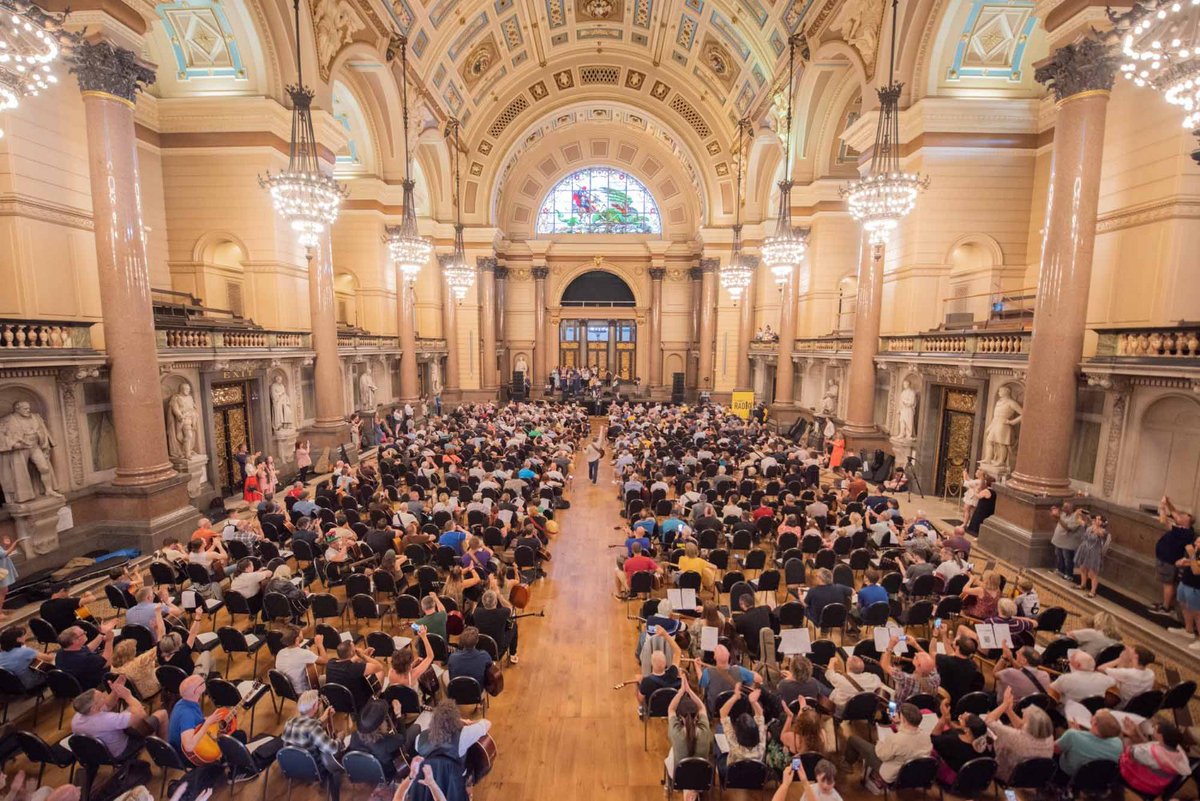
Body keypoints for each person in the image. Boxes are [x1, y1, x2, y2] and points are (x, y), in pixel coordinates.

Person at [846, 702, 932, 794]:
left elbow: (880, 755)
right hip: (914, 776)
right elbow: (909, 737)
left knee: (853, 739)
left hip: (892, 775)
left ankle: (846, 764)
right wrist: (899, 725)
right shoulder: (926, 737)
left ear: (903, 719)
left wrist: (880, 742)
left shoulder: (897, 739)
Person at [71, 677, 168, 757]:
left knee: (132, 709)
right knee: (162, 713)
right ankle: (165, 752)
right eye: (101, 697)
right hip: (121, 751)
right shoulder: (107, 719)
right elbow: (141, 715)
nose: (105, 696)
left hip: (99, 753)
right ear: (94, 707)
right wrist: (128, 696)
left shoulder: (78, 716)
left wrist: (116, 690)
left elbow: (108, 705)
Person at [984, 687, 1055, 782]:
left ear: (1030, 725)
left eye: (1024, 719)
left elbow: (988, 721)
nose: (1022, 721)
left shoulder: (1015, 736)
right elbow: (1022, 726)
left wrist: (1004, 704)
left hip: (1009, 775)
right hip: (1033, 779)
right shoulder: (1049, 738)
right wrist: (1009, 711)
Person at [282, 690, 343, 799]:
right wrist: (340, 737)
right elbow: (333, 749)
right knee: (336, 771)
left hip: (290, 767)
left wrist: (321, 719)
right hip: (314, 769)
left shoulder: (289, 722)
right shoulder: (313, 728)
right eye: (319, 702)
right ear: (315, 706)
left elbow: (306, 727)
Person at [1118, 716, 1191, 797]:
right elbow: (1146, 747)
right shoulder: (1178, 750)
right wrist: (1137, 733)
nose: (1153, 728)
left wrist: (1128, 734)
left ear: (1160, 736)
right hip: (1155, 787)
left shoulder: (1152, 754)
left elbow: (1130, 751)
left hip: (1140, 784)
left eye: (1155, 728)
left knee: (1121, 743)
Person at [1152, 495, 1195, 616]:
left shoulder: (1184, 532)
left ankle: (1166, 607)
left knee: (1168, 584)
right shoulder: (1184, 528)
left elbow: (1163, 520)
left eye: (1182, 517)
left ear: (1187, 522)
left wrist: (1162, 508)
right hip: (1166, 558)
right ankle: (1165, 604)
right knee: (1167, 583)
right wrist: (1168, 503)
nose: (1178, 516)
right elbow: (1175, 513)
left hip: (1169, 559)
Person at [346, 698, 407, 780]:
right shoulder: (388, 742)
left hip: (365, 774)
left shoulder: (354, 736)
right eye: (384, 719)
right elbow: (402, 737)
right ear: (380, 726)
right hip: (387, 775)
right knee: (415, 728)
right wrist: (398, 714)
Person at [931, 702, 991, 784]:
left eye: (962, 719)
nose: (962, 716)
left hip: (954, 779)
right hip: (971, 779)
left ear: (967, 730)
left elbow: (933, 739)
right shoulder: (984, 744)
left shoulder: (952, 742)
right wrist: (948, 722)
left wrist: (943, 718)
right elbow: (959, 729)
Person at [1055, 709, 1123, 780]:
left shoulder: (1072, 735)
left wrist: (1072, 732)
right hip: (1097, 780)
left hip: (1068, 775)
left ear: (1094, 723)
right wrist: (1079, 733)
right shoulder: (1118, 744)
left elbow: (1055, 750)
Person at [666, 676, 713, 775]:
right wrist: (689, 691)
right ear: (697, 716)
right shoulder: (705, 730)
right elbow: (702, 707)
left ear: (681, 718)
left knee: (672, 751)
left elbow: (671, 709)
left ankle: (668, 785)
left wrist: (681, 692)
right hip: (702, 777)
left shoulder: (676, 732)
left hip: (680, 777)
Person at [55, 621, 116, 689]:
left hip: (74, 683)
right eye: (83, 633)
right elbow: (107, 661)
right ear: (75, 641)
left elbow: (87, 649)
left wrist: (102, 633)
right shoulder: (85, 659)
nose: (86, 633)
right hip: (93, 685)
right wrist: (110, 641)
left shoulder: (61, 652)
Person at [881, 634, 941, 703]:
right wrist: (915, 644)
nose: (916, 653)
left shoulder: (906, 678)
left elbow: (884, 665)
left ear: (918, 665)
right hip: (923, 707)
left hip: (903, 709)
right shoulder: (936, 678)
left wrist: (890, 646)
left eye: (917, 657)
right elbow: (930, 662)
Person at [719, 684, 766, 767]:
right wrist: (753, 702)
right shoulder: (761, 743)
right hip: (755, 776)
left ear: (737, 733)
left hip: (733, 777)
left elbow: (722, 712)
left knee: (718, 732)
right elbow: (760, 715)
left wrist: (735, 696)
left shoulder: (734, 744)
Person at [1098, 644, 1156, 708]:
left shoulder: (1128, 673)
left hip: (1120, 705)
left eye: (1132, 650)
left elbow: (1101, 668)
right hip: (1136, 706)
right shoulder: (1151, 673)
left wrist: (1120, 659)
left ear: (1136, 656)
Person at [1048, 650, 1116, 704]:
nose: (1069, 662)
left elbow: (1050, 694)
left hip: (1065, 714)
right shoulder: (1109, 680)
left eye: (1070, 661)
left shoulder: (1066, 678)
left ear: (1078, 665)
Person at [275, 624, 327, 692]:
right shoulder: (304, 654)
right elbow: (325, 661)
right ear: (297, 640)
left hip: (289, 691)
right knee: (329, 677)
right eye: (301, 634)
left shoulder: (280, 652)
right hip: (304, 692)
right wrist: (320, 644)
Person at [1074, 513, 1110, 597]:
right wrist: (1078, 515)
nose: (1096, 520)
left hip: (1094, 552)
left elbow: (1099, 532)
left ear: (1102, 522)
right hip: (1085, 549)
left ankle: (1093, 591)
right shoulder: (1090, 527)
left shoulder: (1104, 531)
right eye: (1096, 519)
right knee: (1082, 568)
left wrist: (1096, 525)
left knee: (1092, 573)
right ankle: (1083, 585)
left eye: (1098, 519)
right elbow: (1080, 522)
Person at [1049, 501, 1086, 583]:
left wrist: (1058, 518)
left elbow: (1069, 528)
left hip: (1068, 543)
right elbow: (1058, 522)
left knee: (1067, 559)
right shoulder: (1063, 514)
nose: (1063, 508)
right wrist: (1055, 515)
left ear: (1072, 508)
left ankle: (1069, 574)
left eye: (1066, 507)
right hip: (1059, 540)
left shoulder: (1077, 517)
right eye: (1063, 506)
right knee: (1059, 556)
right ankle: (1060, 571)